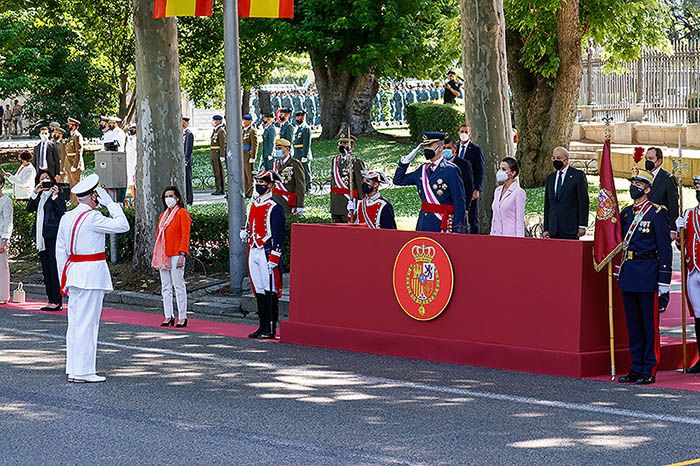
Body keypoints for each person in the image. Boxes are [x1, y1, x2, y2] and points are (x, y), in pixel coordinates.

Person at [56, 174, 130, 383]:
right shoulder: (94, 218)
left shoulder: (67, 217)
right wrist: (109, 203)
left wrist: (64, 277)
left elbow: (60, 251)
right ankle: (84, 371)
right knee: (88, 324)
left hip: (74, 274)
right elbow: (123, 225)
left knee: (76, 323)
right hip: (91, 274)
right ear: (93, 196)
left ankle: (74, 368)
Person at [616, 170, 671, 385]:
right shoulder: (627, 213)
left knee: (649, 325)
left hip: (648, 273)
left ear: (647, 189)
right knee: (634, 324)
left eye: (639, 184)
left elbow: (665, 249)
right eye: (633, 183)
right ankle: (636, 366)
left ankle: (649, 367)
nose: (634, 187)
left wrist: (664, 281)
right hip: (629, 273)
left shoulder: (657, 213)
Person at [240, 170, 286, 339]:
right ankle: (262, 325)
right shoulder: (253, 204)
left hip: (267, 251)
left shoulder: (275, 207)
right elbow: (250, 223)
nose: (259, 184)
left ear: (270, 185)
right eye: (257, 181)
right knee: (258, 289)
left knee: (270, 290)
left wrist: (275, 255)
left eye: (262, 182)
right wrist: (245, 232)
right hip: (254, 250)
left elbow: (279, 234)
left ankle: (271, 327)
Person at [394, 132, 467, 233]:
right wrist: (406, 161)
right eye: (425, 146)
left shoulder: (451, 170)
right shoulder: (422, 170)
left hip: (443, 223)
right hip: (424, 223)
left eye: (430, 145)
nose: (426, 149)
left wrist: (458, 229)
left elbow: (459, 201)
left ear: (440, 148)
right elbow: (398, 180)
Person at [152, 186, 192, 328]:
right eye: (166, 196)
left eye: (171, 196)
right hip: (163, 254)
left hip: (176, 254)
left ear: (177, 198)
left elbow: (185, 235)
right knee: (166, 287)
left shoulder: (182, 213)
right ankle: (168, 315)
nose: (168, 198)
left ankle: (182, 316)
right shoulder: (163, 216)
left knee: (178, 285)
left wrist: (182, 254)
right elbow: (158, 235)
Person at [27, 173, 66, 311]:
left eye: (47, 178)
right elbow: (29, 208)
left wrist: (56, 196)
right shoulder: (39, 196)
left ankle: (57, 300)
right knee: (46, 269)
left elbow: (62, 211)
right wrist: (34, 192)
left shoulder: (56, 195)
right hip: (41, 237)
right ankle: (51, 299)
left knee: (53, 268)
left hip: (52, 236)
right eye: (42, 179)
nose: (45, 181)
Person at [675, 175, 700, 373]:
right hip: (693, 269)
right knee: (698, 315)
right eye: (697, 189)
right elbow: (681, 245)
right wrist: (679, 230)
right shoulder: (689, 214)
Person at [543, 147, 589, 239]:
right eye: (554, 158)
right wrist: (546, 228)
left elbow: (583, 201)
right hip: (554, 228)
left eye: (559, 158)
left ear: (566, 160)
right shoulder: (550, 178)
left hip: (571, 227)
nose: (556, 160)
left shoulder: (577, 176)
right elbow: (547, 204)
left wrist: (582, 225)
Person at [645, 147, 679, 239]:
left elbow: (673, 205)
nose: (648, 161)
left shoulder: (668, 178)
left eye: (651, 159)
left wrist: (673, 229)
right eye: (646, 159)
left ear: (659, 161)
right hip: (644, 225)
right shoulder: (643, 177)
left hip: (661, 225)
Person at [456, 125, 484, 233]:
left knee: (472, 216)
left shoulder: (476, 150)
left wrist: (477, 189)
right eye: (462, 131)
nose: (464, 134)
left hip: (470, 188)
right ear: (458, 133)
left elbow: (480, 171)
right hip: (457, 186)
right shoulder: (455, 148)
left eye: (466, 132)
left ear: (470, 133)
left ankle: (474, 237)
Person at [331, 133, 365, 223]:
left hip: (349, 201)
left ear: (352, 146)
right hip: (336, 202)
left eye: (345, 143)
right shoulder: (335, 161)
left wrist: (361, 202)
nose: (342, 145)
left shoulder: (356, 162)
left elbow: (360, 183)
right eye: (340, 143)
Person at [490, 157, 526, 237]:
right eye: (499, 169)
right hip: (496, 236)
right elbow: (494, 218)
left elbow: (519, 220)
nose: (500, 172)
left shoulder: (518, 192)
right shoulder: (497, 191)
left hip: (510, 237)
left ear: (513, 173)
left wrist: (519, 241)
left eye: (503, 169)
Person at [271, 138, 305, 216]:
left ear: (287, 149)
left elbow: (300, 186)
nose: (277, 151)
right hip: (276, 200)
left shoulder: (295, 163)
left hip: (288, 201)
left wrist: (300, 205)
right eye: (276, 148)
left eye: (280, 148)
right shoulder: (275, 164)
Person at [443, 136, 474, 220]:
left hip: (458, 205)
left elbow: (469, 187)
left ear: (454, 148)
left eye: (448, 148)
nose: (445, 150)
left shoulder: (464, 165)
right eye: (444, 148)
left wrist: (466, 208)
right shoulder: (439, 164)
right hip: (442, 207)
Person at [64, 118, 84, 204]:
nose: (68, 126)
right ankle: (73, 202)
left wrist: (75, 165)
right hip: (69, 163)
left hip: (74, 164)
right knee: (72, 185)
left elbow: (79, 151)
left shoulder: (77, 135)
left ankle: (76, 204)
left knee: (76, 185)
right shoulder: (72, 135)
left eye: (70, 125)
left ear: (74, 126)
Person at [293, 110, 312, 193]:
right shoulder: (299, 128)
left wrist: (304, 155)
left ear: (303, 117)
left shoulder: (306, 128)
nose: (297, 118)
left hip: (303, 153)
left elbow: (306, 143)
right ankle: (302, 187)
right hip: (297, 153)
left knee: (306, 171)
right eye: (296, 116)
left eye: (299, 116)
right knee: (299, 172)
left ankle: (309, 188)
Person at [0, 177, 12, 304]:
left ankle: (3, 295)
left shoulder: (6, 201)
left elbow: (8, 220)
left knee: (2, 266)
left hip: (1, 236)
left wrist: (5, 238)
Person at [242, 114, 258, 198]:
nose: (243, 122)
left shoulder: (252, 131)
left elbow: (254, 145)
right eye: (243, 120)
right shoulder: (244, 131)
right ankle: (246, 191)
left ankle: (251, 192)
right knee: (244, 175)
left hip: (248, 155)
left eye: (245, 120)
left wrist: (253, 157)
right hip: (243, 155)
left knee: (249, 175)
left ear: (249, 121)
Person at [210, 115, 226, 196]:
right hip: (214, 154)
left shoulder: (221, 131)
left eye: (215, 120)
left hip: (218, 154)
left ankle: (220, 189)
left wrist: (222, 155)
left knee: (219, 173)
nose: (214, 122)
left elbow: (222, 144)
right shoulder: (216, 130)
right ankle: (218, 188)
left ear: (219, 121)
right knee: (216, 172)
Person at [182, 117, 195, 205]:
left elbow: (188, 148)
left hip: (186, 160)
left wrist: (186, 159)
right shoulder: (183, 133)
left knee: (188, 179)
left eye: (183, 122)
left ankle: (189, 198)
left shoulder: (189, 134)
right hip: (183, 159)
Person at [125, 123, 137, 199]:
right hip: (129, 163)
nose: (131, 130)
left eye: (133, 128)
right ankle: (133, 198)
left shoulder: (137, 139)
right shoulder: (129, 138)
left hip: (135, 163)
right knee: (131, 183)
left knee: (135, 182)